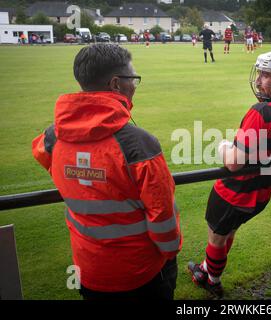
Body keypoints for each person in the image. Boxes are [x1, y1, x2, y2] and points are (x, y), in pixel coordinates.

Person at [32, 43, 182, 300]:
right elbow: (162, 219)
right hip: (141, 275)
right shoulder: (139, 145)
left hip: (87, 270)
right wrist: (169, 255)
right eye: (133, 78)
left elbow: (43, 156)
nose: (135, 85)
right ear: (115, 84)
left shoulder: (52, 136)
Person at [187, 51, 271, 298]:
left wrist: (223, 147)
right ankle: (207, 269)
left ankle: (212, 280)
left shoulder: (260, 112)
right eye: (259, 73)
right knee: (229, 232)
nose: (259, 80)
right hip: (262, 195)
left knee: (217, 238)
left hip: (233, 193)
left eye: (266, 75)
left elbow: (234, 163)